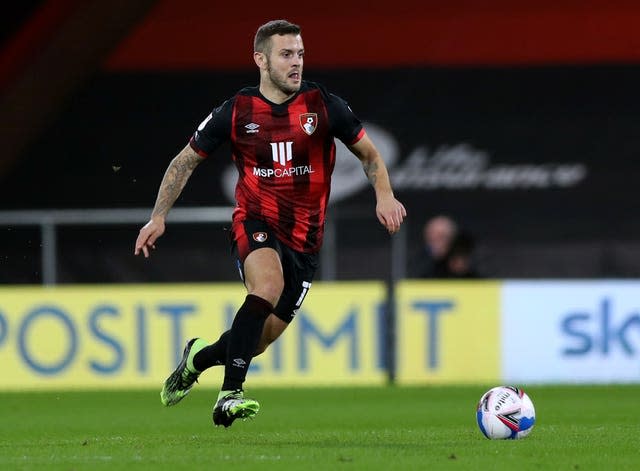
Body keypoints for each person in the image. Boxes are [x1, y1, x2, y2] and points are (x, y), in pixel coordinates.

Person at [134, 19, 406, 428]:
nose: (296, 62)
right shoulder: (237, 111)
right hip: (255, 221)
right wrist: (158, 216)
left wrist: (384, 195)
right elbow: (184, 161)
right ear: (260, 59)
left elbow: (369, 155)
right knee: (267, 287)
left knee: (258, 341)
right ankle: (230, 395)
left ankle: (198, 357)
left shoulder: (323, 105)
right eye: (286, 54)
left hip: (306, 241)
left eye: (299, 54)